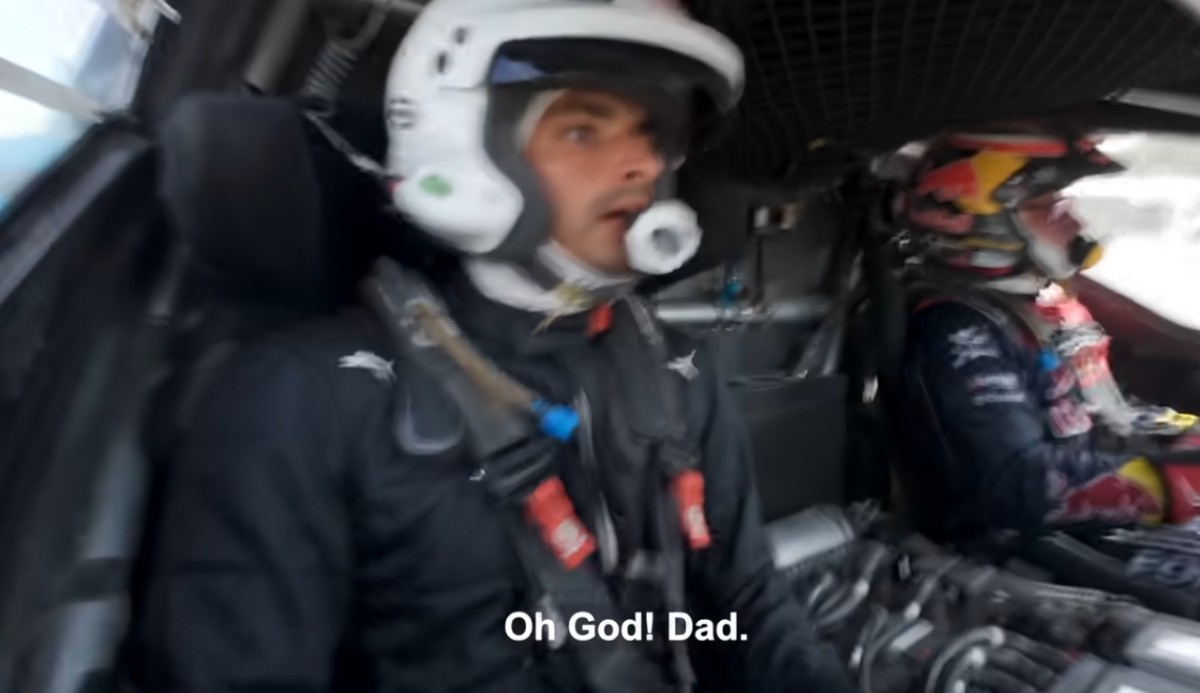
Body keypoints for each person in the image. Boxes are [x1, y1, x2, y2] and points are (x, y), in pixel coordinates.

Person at [131, 1, 855, 691]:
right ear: (470, 149)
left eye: (652, 135)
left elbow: (742, 604)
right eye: (583, 131)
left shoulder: (675, 369)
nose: (642, 163)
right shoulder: (304, 398)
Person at [890, 123, 1200, 543]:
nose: (1073, 221)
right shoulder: (958, 329)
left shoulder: (1050, 303)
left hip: (1091, 520)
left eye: (1062, 202)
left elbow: (1100, 415)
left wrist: (1181, 432)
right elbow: (1018, 484)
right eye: (1045, 207)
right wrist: (1174, 482)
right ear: (981, 222)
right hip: (1022, 546)